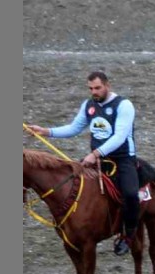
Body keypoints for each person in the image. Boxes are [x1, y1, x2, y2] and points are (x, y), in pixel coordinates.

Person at [28, 70, 141, 256]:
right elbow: (74, 128)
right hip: (97, 159)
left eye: (97, 88)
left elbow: (120, 136)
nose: (94, 92)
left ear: (107, 85)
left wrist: (95, 153)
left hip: (122, 159)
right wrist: (45, 131)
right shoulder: (89, 105)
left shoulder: (124, 105)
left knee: (130, 194)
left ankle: (127, 236)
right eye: (90, 88)